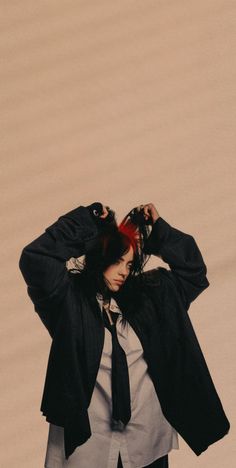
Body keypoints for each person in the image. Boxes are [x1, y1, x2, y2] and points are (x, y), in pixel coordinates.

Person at [19, 202, 230, 468]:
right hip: (89, 445)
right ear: (100, 258)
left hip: (146, 441)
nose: (123, 271)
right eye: (117, 261)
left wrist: (159, 231)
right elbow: (35, 258)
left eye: (130, 264)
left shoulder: (152, 299)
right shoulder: (69, 302)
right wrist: (89, 219)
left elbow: (194, 273)